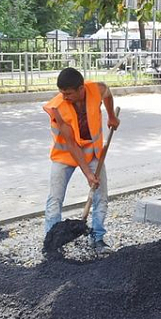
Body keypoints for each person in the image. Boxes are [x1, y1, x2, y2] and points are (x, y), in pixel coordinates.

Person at [43, 67, 120, 253]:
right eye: (61, 93)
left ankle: (97, 239)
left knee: (101, 196)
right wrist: (87, 174)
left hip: (93, 153)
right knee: (55, 198)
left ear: (80, 89)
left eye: (68, 93)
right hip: (66, 155)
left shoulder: (96, 89)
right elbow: (71, 144)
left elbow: (107, 93)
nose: (64, 96)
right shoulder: (58, 108)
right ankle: (52, 244)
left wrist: (110, 115)